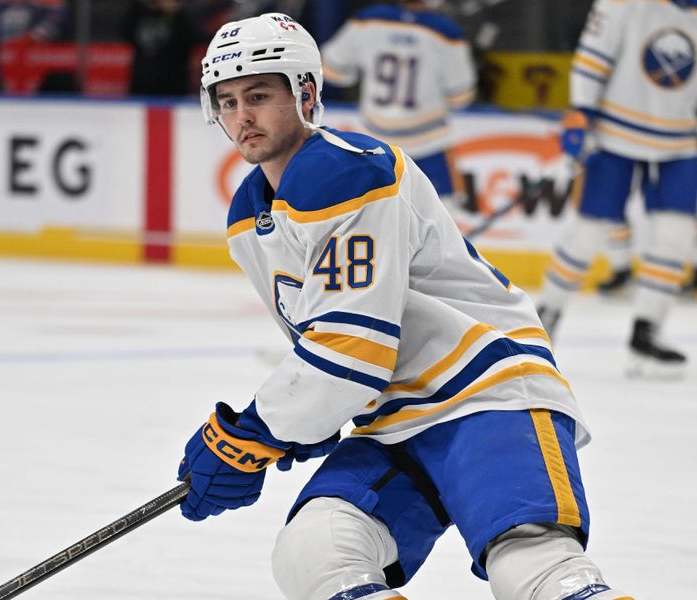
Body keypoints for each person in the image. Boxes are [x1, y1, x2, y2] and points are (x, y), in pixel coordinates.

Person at [177, 12, 633, 600]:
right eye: (228, 101)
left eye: (259, 96)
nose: (242, 116)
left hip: (485, 393)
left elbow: (352, 350)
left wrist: (251, 434)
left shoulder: (344, 171)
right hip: (395, 418)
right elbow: (329, 350)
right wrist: (290, 432)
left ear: (306, 93)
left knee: (531, 564)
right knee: (315, 551)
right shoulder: (250, 215)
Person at [536, 0, 697, 375]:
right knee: (589, 231)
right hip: (614, 134)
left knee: (676, 235)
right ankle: (543, 319)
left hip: (679, 141)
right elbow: (593, 57)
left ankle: (646, 330)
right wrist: (581, 110)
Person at [320, 0, 476, 205]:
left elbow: (333, 70)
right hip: (429, 145)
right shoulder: (446, 31)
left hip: (374, 144)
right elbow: (460, 96)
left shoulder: (367, 19)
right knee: (445, 217)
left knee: (372, 216)